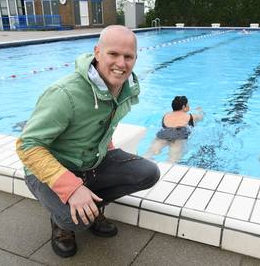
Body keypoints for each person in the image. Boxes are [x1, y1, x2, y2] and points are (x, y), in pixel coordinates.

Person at [16, 25, 160, 258]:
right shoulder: (65, 93)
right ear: (97, 52)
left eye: (128, 56)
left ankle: (93, 207)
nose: (121, 63)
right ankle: (62, 224)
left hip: (90, 163)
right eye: (113, 54)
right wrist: (71, 188)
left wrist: (109, 152)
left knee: (148, 172)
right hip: (49, 169)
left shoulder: (125, 89)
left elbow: (103, 122)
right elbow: (27, 145)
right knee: (75, 222)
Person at [144, 96, 203, 163]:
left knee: (148, 154)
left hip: (163, 134)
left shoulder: (166, 115)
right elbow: (201, 117)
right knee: (172, 161)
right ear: (184, 107)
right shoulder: (191, 116)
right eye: (188, 104)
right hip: (179, 135)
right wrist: (199, 110)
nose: (189, 106)